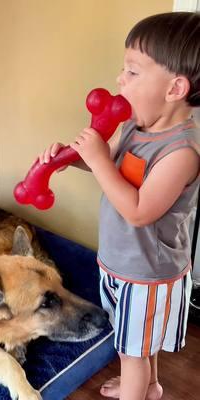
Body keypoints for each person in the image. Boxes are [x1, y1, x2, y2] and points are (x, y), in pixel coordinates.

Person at [39, 11, 200, 400]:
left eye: (132, 71)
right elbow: (108, 165)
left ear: (175, 87)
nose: (119, 80)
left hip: (148, 273)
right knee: (140, 342)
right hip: (121, 262)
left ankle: (137, 386)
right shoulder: (134, 126)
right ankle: (151, 385)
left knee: (131, 352)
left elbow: (139, 210)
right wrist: (72, 158)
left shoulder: (181, 152)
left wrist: (96, 159)